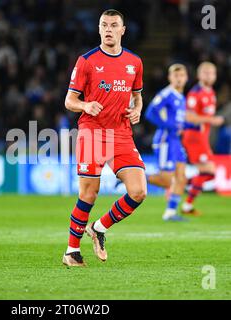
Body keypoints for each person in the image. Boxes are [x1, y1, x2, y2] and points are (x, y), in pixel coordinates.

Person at [63, 9, 147, 267]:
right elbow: (69, 100)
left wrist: (137, 109)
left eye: (114, 25)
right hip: (92, 131)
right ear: (99, 29)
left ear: (123, 30)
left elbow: (137, 95)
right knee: (89, 194)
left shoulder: (135, 62)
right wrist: (85, 106)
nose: (108, 29)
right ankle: (71, 252)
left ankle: (99, 228)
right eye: (104, 25)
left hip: (121, 134)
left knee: (138, 191)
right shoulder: (86, 61)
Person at [145, 64, 188, 221]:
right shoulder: (166, 94)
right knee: (167, 180)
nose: (179, 78)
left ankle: (170, 213)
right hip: (165, 140)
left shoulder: (181, 96)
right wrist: (169, 127)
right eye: (175, 76)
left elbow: (177, 120)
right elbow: (150, 113)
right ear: (170, 78)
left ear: (186, 78)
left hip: (176, 141)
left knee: (182, 177)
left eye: (181, 75)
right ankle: (136, 177)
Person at [181, 62, 224, 216]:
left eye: (211, 73)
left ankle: (187, 204)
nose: (209, 75)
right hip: (194, 137)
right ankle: (180, 184)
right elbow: (189, 116)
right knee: (209, 171)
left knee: (208, 172)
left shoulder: (210, 92)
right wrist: (212, 120)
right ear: (199, 75)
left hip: (202, 139)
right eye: (205, 72)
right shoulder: (195, 93)